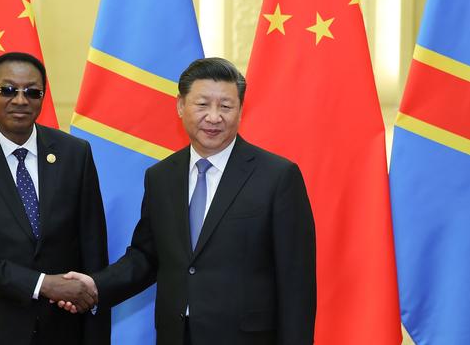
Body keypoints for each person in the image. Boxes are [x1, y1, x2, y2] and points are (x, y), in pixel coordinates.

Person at [60, 57, 316, 345]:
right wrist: (95, 286)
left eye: (226, 106)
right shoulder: (161, 177)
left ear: (241, 110)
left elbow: (296, 283)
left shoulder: (278, 177)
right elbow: (146, 257)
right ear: (181, 106)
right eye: (203, 104)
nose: (214, 117)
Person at [0, 52, 110, 345]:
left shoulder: (75, 154)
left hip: (63, 328)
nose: (20, 100)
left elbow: (92, 246)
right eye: (7, 90)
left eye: (32, 92)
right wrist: (41, 284)